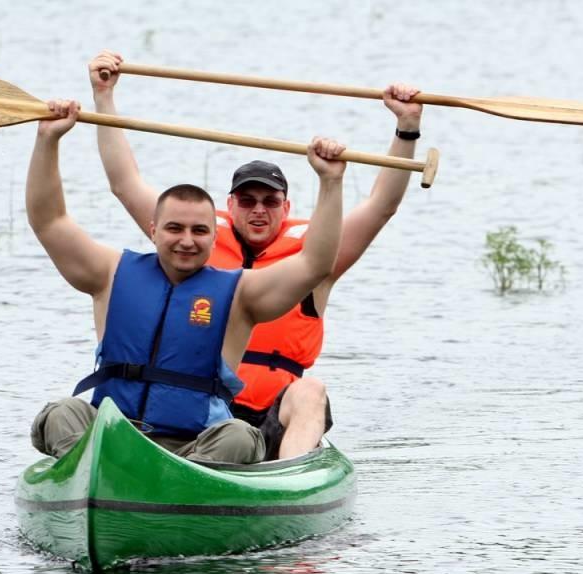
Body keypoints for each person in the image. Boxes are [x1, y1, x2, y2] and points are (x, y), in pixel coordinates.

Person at [87, 50, 424, 460]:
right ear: (230, 205)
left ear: (287, 206)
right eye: (247, 201)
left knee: (310, 391)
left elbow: (380, 205)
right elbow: (125, 183)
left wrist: (406, 127)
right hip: (200, 410)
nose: (259, 210)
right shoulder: (195, 242)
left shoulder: (314, 254)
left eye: (270, 200)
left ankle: (286, 480)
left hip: (271, 414)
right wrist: (103, 96)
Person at [26, 97, 347, 464]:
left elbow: (315, 264)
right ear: (153, 229)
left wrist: (330, 180)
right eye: (174, 228)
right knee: (62, 413)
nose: (186, 240)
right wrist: (48, 140)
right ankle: (90, 474)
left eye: (199, 231)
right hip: (114, 433)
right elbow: (49, 221)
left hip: (197, 447)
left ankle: (183, 491)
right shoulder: (110, 274)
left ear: (214, 237)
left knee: (240, 437)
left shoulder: (241, 293)